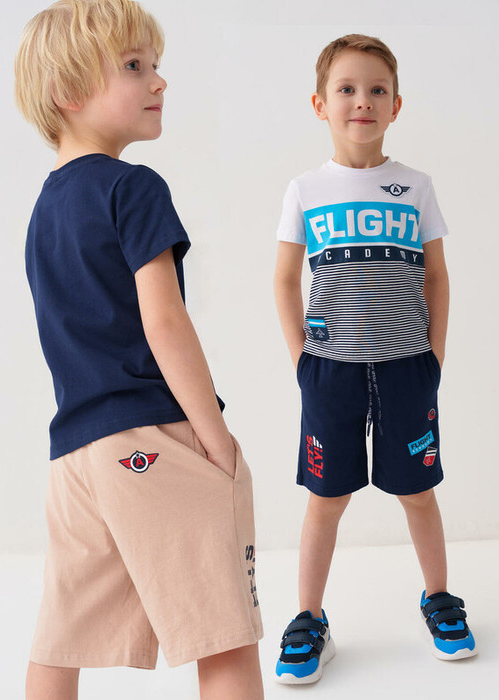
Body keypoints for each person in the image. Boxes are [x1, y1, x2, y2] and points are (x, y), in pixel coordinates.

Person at [14, 1, 263, 698]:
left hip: (76, 455)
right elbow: (165, 322)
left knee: (62, 637)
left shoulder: (44, 211)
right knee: (222, 628)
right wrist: (215, 440)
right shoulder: (134, 187)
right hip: (152, 436)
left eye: (155, 65)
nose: (159, 81)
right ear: (67, 91)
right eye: (133, 66)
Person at [273, 33, 477, 684]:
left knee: (417, 491)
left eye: (376, 90)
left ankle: (437, 598)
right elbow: (284, 279)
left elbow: (437, 277)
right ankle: (309, 618)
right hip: (329, 370)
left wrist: (433, 356)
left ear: (395, 105)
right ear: (319, 104)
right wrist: (302, 360)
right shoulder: (305, 189)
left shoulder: (415, 187)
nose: (361, 101)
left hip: (406, 367)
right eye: (346, 89)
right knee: (325, 498)